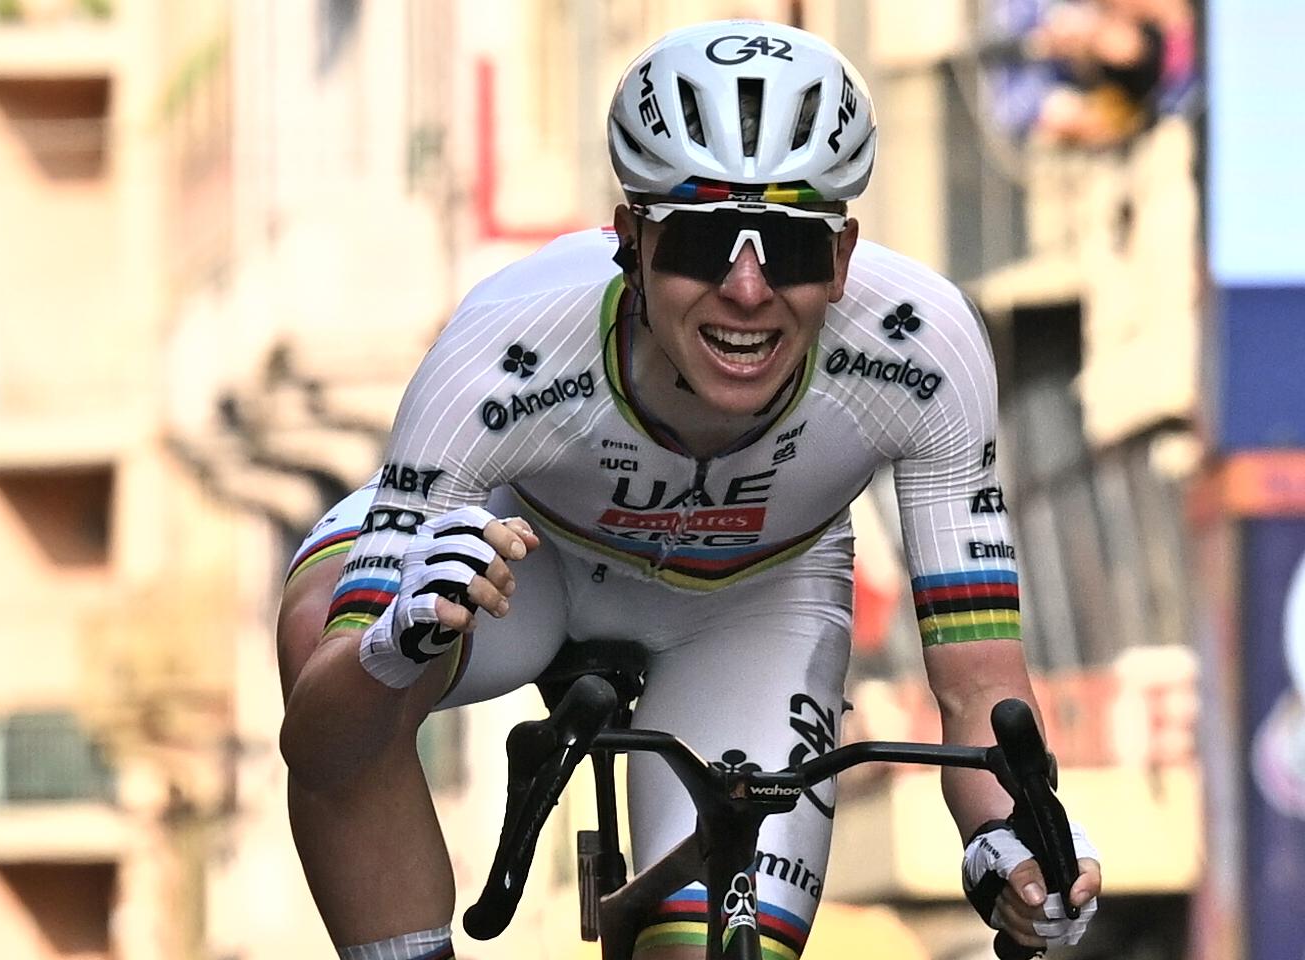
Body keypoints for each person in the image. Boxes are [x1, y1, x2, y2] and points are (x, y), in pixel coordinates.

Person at [277, 19, 1103, 960]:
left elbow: (984, 694)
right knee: (326, 638)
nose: (746, 291)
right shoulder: (502, 349)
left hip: (754, 608)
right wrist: (391, 647)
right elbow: (319, 744)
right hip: (525, 566)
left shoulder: (923, 348)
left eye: (790, 247)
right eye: (704, 243)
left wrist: (1015, 845)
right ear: (631, 239)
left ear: (842, 257)